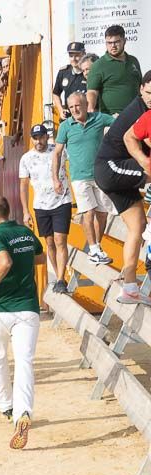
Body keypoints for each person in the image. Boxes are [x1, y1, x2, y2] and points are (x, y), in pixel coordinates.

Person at [0, 195, 43, 449]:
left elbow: (5, 261)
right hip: (28, 308)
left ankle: (6, 406)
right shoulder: (24, 232)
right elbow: (40, 256)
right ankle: (23, 412)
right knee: (25, 362)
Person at [93, 71, 151, 304]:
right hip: (110, 167)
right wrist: (145, 164)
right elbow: (138, 140)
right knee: (149, 171)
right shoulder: (139, 111)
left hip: (119, 169)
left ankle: (129, 288)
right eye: (148, 93)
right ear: (140, 89)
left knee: (138, 225)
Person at [52, 93, 116, 266]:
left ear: (86, 104)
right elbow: (57, 153)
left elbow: (120, 125)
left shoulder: (99, 118)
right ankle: (94, 248)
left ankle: (96, 248)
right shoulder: (66, 126)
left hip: (100, 174)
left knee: (103, 214)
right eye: (71, 107)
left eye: (77, 105)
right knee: (88, 212)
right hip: (79, 177)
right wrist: (55, 179)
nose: (74, 109)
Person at [16, 125, 71, 298]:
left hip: (62, 200)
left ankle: (61, 279)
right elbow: (23, 186)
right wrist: (25, 211)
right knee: (49, 243)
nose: (38, 141)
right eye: (35, 137)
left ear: (47, 137)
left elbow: (75, 160)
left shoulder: (59, 150)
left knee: (60, 239)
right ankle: (58, 276)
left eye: (41, 137)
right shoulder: (26, 158)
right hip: (41, 204)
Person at [87, 25, 143, 115]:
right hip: (112, 118)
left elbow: (141, 87)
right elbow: (92, 91)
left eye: (116, 42)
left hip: (137, 115)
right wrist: (90, 108)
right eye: (109, 43)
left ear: (124, 41)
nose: (113, 46)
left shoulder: (133, 61)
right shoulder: (98, 65)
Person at [53, 42, 88, 120]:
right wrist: (61, 110)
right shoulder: (63, 72)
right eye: (71, 56)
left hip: (86, 118)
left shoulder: (89, 72)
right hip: (69, 118)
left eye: (77, 55)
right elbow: (55, 93)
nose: (74, 59)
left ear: (84, 54)